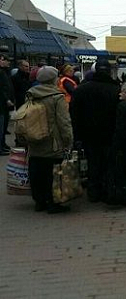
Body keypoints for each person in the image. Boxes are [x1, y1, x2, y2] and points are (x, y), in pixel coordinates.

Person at [69, 59, 120, 202]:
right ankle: (107, 190)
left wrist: (77, 135)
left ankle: (93, 191)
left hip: (89, 135)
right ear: (110, 72)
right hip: (110, 134)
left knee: (92, 163)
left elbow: (74, 114)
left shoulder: (82, 89)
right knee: (108, 163)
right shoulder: (116, 89)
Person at [26, 66, 73, 213]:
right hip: (53, 141)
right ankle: (53, 202)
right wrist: (68, 140)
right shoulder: (57, 96)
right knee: (53, 173)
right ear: (54, 79)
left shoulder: (30, 94)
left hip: (34, 138)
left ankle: (39, 201)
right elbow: (63, 122)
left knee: (36, 170)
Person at [0, 54, 13, 155]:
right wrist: (7, 99)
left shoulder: (5, 71)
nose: (5, 62)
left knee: (3, 126)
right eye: (3, 60)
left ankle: (2, 144)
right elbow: (2, 89)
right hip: (2, 102)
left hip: (4, 104)